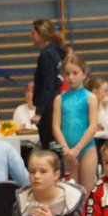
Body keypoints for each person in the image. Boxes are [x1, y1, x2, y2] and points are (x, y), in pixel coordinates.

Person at [53, 54, 99, 194]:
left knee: (87, 191)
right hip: (67, 150)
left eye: (75, 73)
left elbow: (93, 126)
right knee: (71, 192)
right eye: (67, 73)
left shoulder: (90, 97)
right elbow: (56, 126)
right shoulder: (59, 99)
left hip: (86, 148)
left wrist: (78, 149)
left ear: (84, 74)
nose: (71, 77)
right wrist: (66, 148)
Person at [30, 18, 67, 149]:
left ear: (41, 34)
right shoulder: (57, 51)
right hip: (56, 102)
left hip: (49, 107)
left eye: (33, 33)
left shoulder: (46, 54)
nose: (31, 36)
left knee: (49, 146)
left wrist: (39, 112)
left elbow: (47, 84)